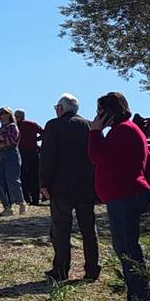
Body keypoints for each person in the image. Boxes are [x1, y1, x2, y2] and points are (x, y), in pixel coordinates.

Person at [88, 92, 150, 301]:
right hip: (134, 193)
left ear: (109, 112)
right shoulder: (132, 129)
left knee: (126, 249)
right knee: (132, 247)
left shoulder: (120, 131)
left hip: (124, 196)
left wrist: (95, 132)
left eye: (100, 111)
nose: (97, 116)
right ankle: (146, 297)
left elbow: (96, 156)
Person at [40, 93, 99, 283]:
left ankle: (61, 269)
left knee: (61, 229)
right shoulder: (90, 125)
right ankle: (92, 269)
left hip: (61, 186)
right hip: (86, 186)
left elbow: (47, 157)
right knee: (88, 229)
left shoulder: (54, 125)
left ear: (61, 108)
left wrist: (43, 184)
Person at [0, 107, 26, 215]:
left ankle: (21, 203)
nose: (1, 116)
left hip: (10, 154)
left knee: (12, 180)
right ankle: (7, 207)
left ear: (9, 115)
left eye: (3, 113)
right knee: (0, 182)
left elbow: (10, 140)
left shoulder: (12, 127)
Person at [15, 109, 44, 206]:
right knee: (34, 176)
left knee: (22, 176)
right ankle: (35, 199)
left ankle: (26, 198)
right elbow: (44, 133)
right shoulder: (32, 124)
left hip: (20, 152)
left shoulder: (15, 126)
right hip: (33, 152)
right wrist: (35, 139)